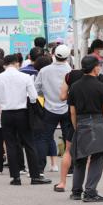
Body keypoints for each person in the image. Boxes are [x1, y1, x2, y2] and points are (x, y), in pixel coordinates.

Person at [0, 54, 51, 185]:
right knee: (29, 143)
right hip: (22, 113)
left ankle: (15, 177)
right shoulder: (25, 77)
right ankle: (35, 176)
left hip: (6, 113)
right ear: (17, 63)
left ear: (5, 65)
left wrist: (1, 112)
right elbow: (33, 97)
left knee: (11, 144)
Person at [68, 56, 103, 202]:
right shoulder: (101, 87)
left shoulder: (74, 86)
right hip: (98, 123)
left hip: (81, 122)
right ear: (95, 68)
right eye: (98, 65)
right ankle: (90, 191)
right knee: (97, 157)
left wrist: (77, 127)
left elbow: (72, 112)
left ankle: (76, 191)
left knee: (80, 158)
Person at [35, 45, 72, 175]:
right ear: (68, 56)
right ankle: (70, 168)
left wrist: (45, 94)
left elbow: (37, 89)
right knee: (69, 138)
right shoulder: (71, 70)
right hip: (67, 108)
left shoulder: (44, 70)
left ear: (53, 54)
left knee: (44, 138)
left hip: (49, 108)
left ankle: (39, 169)